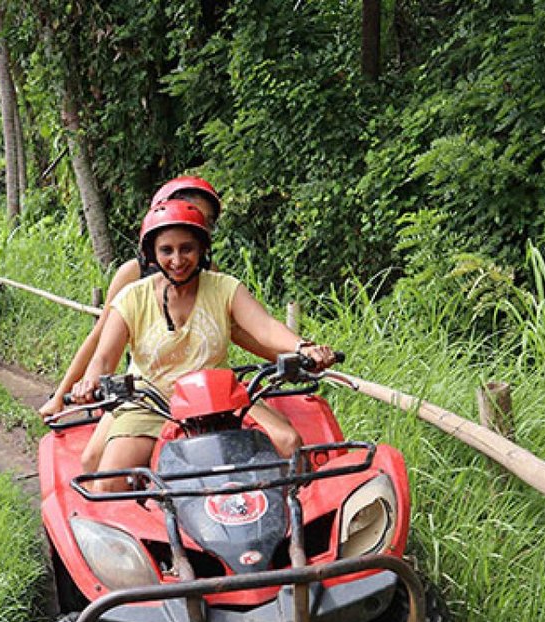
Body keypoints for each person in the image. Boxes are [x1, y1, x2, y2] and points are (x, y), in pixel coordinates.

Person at [69, 200, 336, 492]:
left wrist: (302, 348)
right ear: (151, 255)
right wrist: (89, 382)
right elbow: (105, 358)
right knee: (107, 484)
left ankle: (293, 528)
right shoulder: (132, 298)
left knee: (289, 443)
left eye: (187, 248)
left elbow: (265, 327)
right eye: (166, 250)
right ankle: (134, 538)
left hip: (220, 398)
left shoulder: (224, 287)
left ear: (202, 250)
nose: (178, 259)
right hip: (152, 402)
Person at [40, 177, 224, 473]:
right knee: (92, 462)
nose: (178, 259)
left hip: (199, 394)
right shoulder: (132, 275)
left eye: (202, 221)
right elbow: (100, 341)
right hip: (143, 390)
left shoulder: (212, 277)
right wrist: (63, 394)